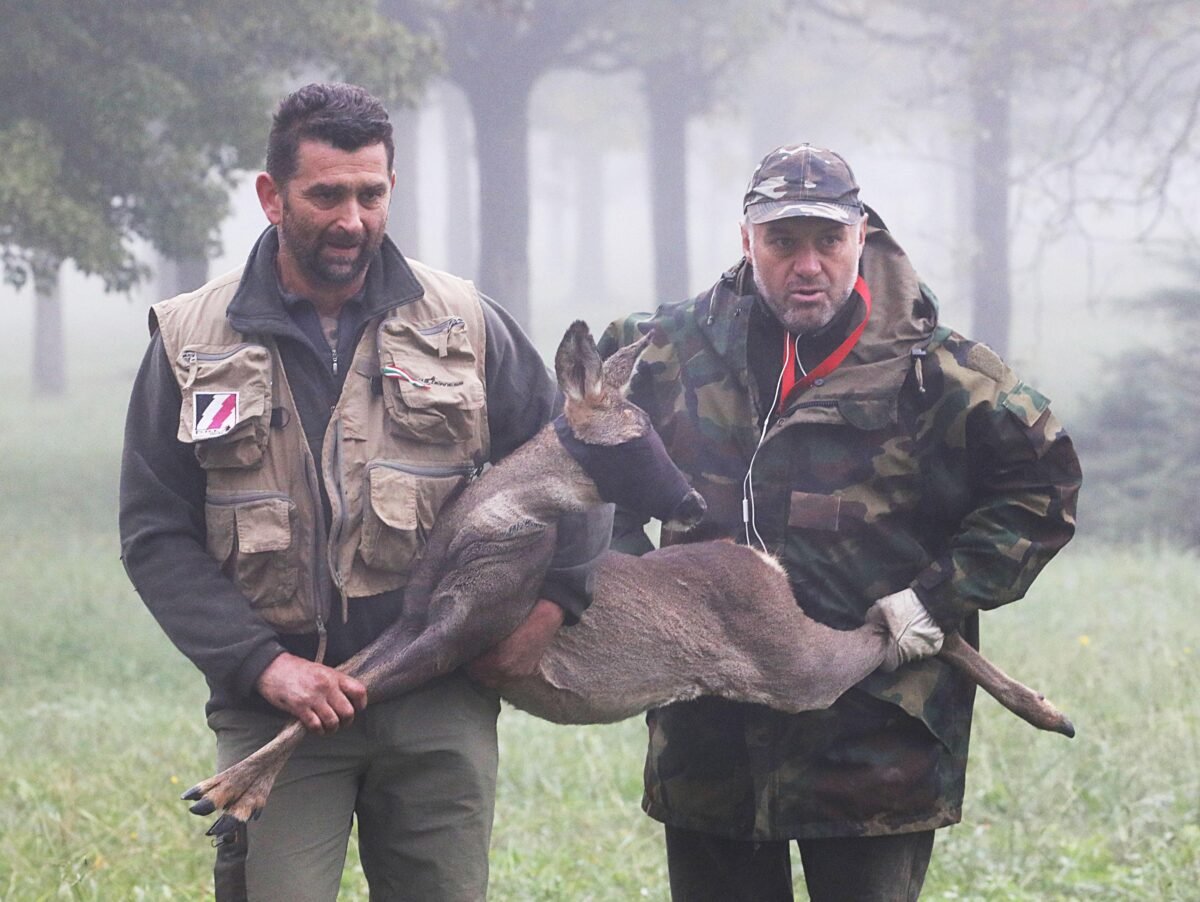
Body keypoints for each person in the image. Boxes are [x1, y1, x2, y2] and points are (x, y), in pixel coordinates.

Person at [119, 82, 606, 902]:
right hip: (279, 708)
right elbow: (153, 532)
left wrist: (553, 609)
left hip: (436, 698)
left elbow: (584, 461)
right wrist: (262, 667)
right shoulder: (189, 339)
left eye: (370, 194)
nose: (352, 220)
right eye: (326, 195)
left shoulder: (464, 322)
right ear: (271, 196)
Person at [599, 144, 1082, 901]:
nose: (807, 264)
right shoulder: (667, 351)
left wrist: (936, 598)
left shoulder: (933, 370)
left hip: (876, 738)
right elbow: (588, 459)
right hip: (711, 733)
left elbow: (1041, 487)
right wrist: (625, 585)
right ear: (746, 240)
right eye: (782, 241)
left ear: (862, 235)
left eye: (828, 240)